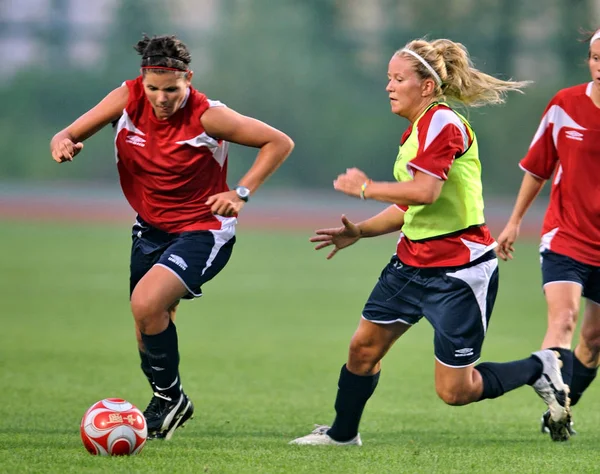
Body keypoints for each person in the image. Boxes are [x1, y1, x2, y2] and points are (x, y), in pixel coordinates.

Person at [290, 38, 571, 447]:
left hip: (459, 272)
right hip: (410, 263)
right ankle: (342, 435)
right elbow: (412, 210)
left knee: (456, 392)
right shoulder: (415, 132)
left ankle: (539, 367)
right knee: (363, 349)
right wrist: (361, 231)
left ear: (426, 86)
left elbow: (425, 192)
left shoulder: (442, 123)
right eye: (388, 78)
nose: (388, 86)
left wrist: (367, 188)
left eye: (398, 78)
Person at [50, 34, 294, 440]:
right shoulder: (126, 100)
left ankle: (170, 399)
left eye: (172, 90)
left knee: (145, 303)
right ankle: (169, 399)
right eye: (154, 89)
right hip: (149, 229)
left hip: (204, 228)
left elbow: (278, 141)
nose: (162, 99)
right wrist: (65, 143)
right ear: (141, 82)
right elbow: (68, 133)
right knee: (147, 323)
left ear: (189, 81)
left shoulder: (207, 116)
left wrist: (241, 192)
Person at [496, 29, 600, 441]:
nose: (599, 64)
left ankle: (561, 406)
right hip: (566, 237)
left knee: (592, 341)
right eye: (594, 56)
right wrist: (515, 221)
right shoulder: (565, 105)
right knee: (565, 318)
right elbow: (538, 167)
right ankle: (556, 404)